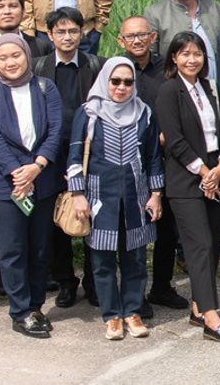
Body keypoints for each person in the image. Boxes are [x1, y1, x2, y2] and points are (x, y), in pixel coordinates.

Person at [64, 58, 164, 341]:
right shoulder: (89, 113)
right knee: (102, 260)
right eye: (115, 81)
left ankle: (132, 310)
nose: (121, 88)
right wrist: (78, 194)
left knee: (135, 257)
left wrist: (156, 195)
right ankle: (111, 315)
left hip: (136, 196)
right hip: (98, 196)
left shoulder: (144, 113)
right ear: (105, 80)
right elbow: (73, 156)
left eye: (128, 82)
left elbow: (154, 158)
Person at [0, 32, 67, 339]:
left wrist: (37, 166)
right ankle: (20, 311)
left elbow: (56, 130)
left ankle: (36, 305)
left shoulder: (45, 88)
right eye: (3, 57)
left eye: (16, 55)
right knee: (13, 249)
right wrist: (18, 172)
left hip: (41, 182)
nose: (10, 62)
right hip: (7, 186)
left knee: (40, 249)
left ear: (27, 56)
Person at [153, 31, 220, 342]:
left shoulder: (211, 88)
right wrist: (205, 172)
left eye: (198, 54)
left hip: (217, 174)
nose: (192, 59)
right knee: (199, 245)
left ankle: (196, 307)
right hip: (186, 180)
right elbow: (174, 140)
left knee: (213, 247)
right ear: (174, 58)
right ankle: (211, 316)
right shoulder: (168, 91)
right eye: (185, 54)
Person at [37, 5, 104, 309]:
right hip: (50, 155)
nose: (67, 37)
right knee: (55, 221)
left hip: (89, 153)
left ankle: (94, 281)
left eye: (73, 31)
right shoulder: (37, 69)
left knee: (93, 215)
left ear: (82, 33)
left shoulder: (96, 66)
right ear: (50, 35)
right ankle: (66, 281)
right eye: (61, 31)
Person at [115, 16, 183, 313]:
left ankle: (162, 287)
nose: (137, 41)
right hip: (127, 160)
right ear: (121, 41)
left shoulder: (167, 70)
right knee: (132, 229)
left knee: (166, 226)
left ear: (153, 37)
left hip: (165, 157)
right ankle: (134, 292)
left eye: (143, 35)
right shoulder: (116, 71)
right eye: (131, 37)